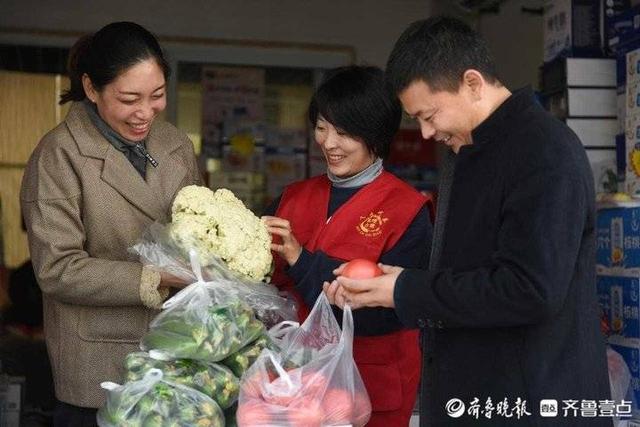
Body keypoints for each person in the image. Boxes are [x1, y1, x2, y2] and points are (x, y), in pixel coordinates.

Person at [325, 17, 611, 426]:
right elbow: (472, 268)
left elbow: (529, 289)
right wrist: (400, 282)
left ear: (473, 83)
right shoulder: (468, 149)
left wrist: (406, 289)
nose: (424, 133)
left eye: (430, 114)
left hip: (530, 403)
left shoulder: (545, 153)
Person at [20, 22, 199, 426]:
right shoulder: (60, 154)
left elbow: (197, 225)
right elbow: (57, 269)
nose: (144, 112)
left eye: (157, 96)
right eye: (129, 98)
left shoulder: (175, 144)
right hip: (99, 366)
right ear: (90, 88)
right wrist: (157, 275)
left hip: (175, 354)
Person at [263, 65, 433, 426]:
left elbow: (393, 310)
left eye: (343, 133)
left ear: (376, 136)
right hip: (292, 388)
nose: (328, 143)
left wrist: (301, 260)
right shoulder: (292, 198)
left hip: (368, 393)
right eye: (322, 127)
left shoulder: (407, 210)